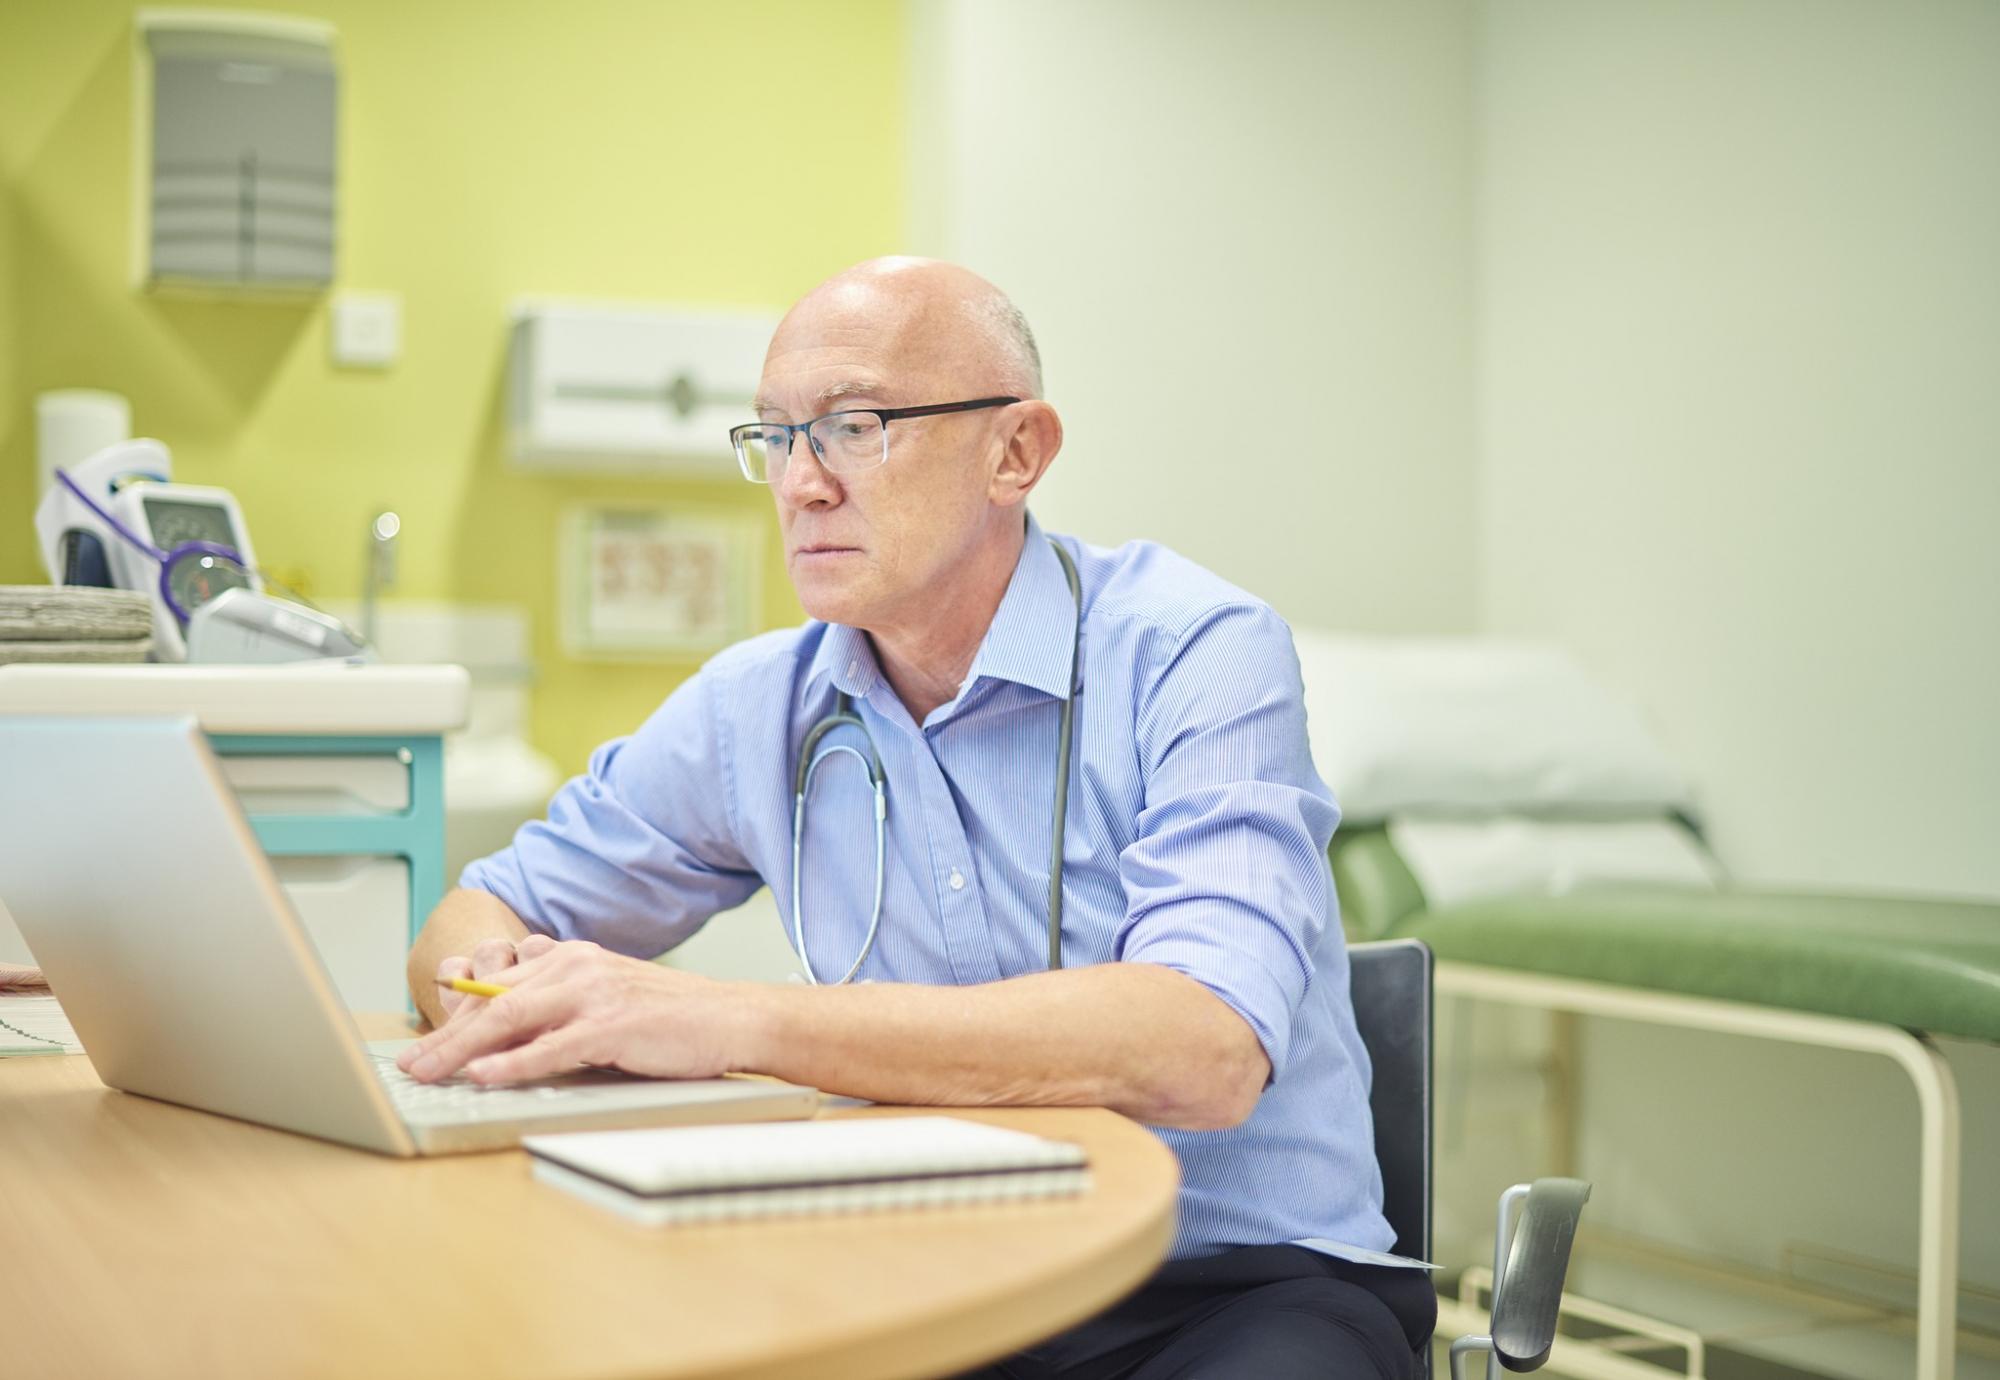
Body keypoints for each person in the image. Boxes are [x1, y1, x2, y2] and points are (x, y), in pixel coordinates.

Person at [399, 257, 1434, 1378]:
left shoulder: (1194, 653)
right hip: (923, 1281)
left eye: (852, 426)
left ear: (1016, 452)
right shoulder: (759, 707)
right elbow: (477, 915)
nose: (800, 483)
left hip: (1233, 1287)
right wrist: (519, 1012)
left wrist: (721, 1021)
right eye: (775, 437)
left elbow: (1203, 1049)